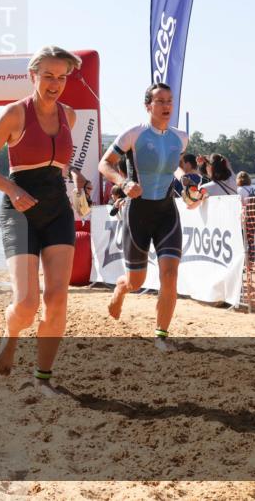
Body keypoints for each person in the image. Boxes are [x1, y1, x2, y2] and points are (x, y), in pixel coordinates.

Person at [0, 46, 88, 392]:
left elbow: (62, 163)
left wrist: (77, 178)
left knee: (57, 300)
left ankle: (43, 379)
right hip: (19, 210)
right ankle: (11, 332)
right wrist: (11, 189)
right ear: (32, 76)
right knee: (26, 304)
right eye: (48, 76)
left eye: (62, 77)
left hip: (57, 211)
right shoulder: (14, 115)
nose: (55, 83)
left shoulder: (70, 116)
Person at [99, 82, 194, 351]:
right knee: (136, 282)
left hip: (166, 212)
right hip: (137, 213)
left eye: (169, 101)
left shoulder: (181, 138)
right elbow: (104, 164)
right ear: (148, 106)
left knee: (170, 273)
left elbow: (174, 165)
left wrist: (187, 185)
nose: (166, 106)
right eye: (160, 101)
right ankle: (121, 289)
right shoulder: (134, 134)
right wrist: (124, 182)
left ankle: (161, 335)